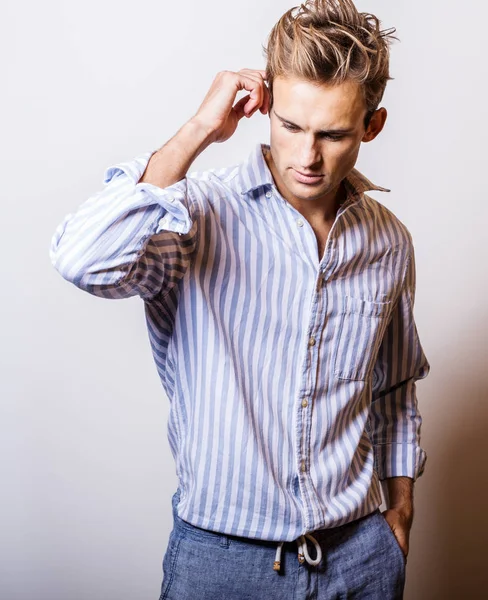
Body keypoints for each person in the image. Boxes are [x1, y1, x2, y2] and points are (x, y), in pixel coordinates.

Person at [49, 0, 430, 597]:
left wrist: (399, 515)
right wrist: (199, 129)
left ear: (371, 127)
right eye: (292, 127)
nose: (307, 156)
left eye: (332, 134)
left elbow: (394, 387)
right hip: (221, 564)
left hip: (360, 560)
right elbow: (83, 258)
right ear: (267, 108)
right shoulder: (198, 213)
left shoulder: (388, 242)